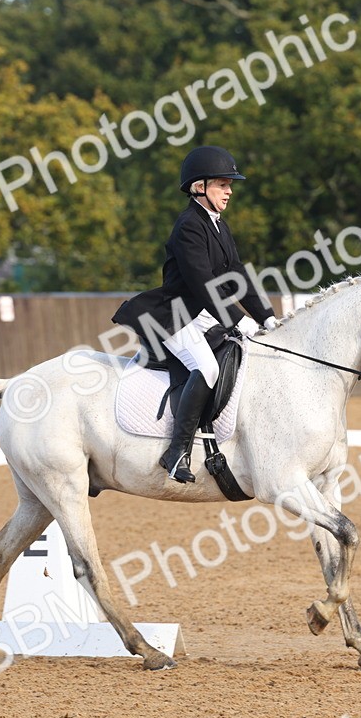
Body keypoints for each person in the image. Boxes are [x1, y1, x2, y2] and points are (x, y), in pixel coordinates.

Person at [112, 146, 279, 483]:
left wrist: (267, 317)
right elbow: (204, 285)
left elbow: (237, 276)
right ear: (199, 186)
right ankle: (177, 452)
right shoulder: (189, 225)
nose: (230, 191)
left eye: (229, 185)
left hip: (199, 313)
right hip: (173, 314)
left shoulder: (219, 226)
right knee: (206, 367)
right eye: (222, 184)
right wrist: (238, 320)